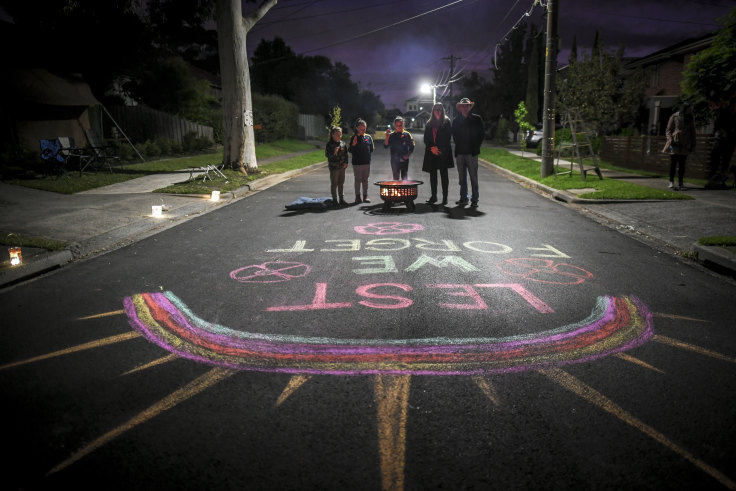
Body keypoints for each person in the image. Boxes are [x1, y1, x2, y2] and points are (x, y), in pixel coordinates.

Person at [452, 97, 485, 207]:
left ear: (470, 107)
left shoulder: (476, 119)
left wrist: (476, 146)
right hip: (460, 153)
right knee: (462, 179)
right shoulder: (456, 121)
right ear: (460, 108)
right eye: (463, 106)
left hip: (472, 153)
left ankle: (474, 200)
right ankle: (463, 198)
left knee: (473, 178)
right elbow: (454, 136)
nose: (465, 107)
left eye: (467, 105)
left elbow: (481, 134)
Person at [421, 103, 454, 205]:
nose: (438, 111)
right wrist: (432, 148)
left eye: (439, 109)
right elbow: (426, 138)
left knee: (444, 175)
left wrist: (438, 148)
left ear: (443, 110)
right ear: (433, 111)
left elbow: (447, 138)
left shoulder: (447, 122)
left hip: (443, 152)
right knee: (433, 176)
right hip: (432, 153)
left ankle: (445, 198)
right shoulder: (429, 123)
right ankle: (434, 196)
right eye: (436, 109)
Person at [663, 103, 696, 191]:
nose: (690, 110)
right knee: (673, 163)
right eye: (689, 108)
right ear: (685, 108)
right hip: (675, 142)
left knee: (682, 164)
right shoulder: (674, 116)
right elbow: (668, 129)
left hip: (685, 144)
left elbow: (693, 132)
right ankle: (671, 181)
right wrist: (670, 139)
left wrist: (693, 144)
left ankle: (681, 182)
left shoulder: (690, 118)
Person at [349, 118, 374, 203]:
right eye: (361, 128)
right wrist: (353, 144)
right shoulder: (354, 137)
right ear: (357, 128)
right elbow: (350, 150)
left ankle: (365, 196)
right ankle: (357, 197)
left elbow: (371, 149)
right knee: (358, 180)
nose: (363, 130)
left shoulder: (368, 137)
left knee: (365, 180)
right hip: (357, 163)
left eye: (364, 128)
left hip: (366, 163)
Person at [384, 116, 415, 180]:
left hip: (404, 160)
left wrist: (408, 155)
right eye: (397, 125)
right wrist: (387, 137)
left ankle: (404, 189)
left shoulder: (407, 134)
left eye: (400, 125)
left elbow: (412, 146)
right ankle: (396, 189)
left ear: (403, 125)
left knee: (404, 178)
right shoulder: (391, 135)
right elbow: (386, 146)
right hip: (394, 160)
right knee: (395, 179)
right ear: (395, 126)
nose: (399, 127)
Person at [325, 126, 348, 206]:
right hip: (334, 167)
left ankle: (342, 199)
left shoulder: (343, 143)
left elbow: (346, 154)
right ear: (332, 135)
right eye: (337, 135)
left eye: (340, 134)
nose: (339, 136)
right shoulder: (329, 144)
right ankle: (335, 200)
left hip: (342, 167)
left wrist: (346, 163)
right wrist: (334, 153)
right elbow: (327, 155)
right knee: (334, 184)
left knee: (341, 183)